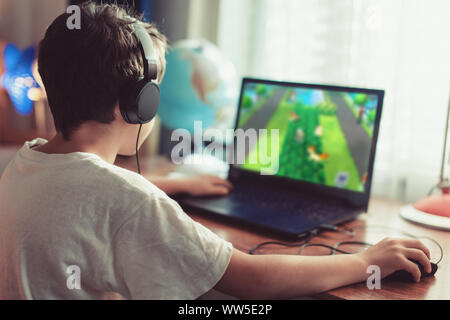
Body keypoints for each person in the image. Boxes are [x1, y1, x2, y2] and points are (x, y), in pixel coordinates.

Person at [0, 2, 432, 300]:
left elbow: (82, 193)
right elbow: (253, 280)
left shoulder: (26, 161)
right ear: (137, 104)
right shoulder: (127, 201)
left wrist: (170, 182)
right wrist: (367, 260)